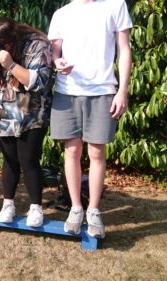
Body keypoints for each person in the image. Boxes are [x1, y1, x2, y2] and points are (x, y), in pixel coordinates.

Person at [48, 0, 132, 238]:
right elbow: (55, 50)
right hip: (67, 91)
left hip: (103, 91)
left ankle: (93, 210)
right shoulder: (62, 14)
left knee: (97, 153)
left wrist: (122, 90)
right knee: (71, 152)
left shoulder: (116, 5)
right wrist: (57, 61)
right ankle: (76, 208)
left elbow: (124, 49)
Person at [0, 17, 53, 227]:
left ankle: (36, 207)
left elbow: (41, 82)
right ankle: (7, 203)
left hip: (32, 110)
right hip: (4, 107)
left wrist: (10, 64)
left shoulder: (38, 43)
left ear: (11, 41)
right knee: (9, 159)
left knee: (28, 160)